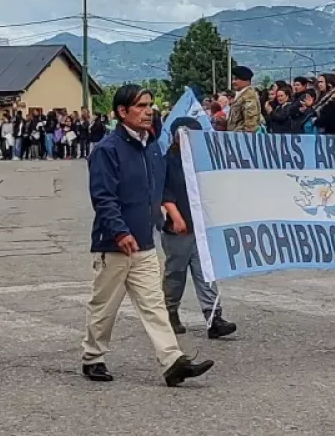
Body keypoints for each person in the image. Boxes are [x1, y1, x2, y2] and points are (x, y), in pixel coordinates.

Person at [81, 84, 214, 387]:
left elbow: (157, 188)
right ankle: (93, 357)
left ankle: (172, 361)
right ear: (122, 112)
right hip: (113, 245)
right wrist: (119, 232)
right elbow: (103, 197)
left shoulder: (152, 148)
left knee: (154, 305)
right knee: (104, 307)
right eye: (140, 106)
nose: (148, 111)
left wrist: (164, 215)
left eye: (150, 105)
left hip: (144, 243)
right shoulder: (107, 150)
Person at [161, 116, 237, 339]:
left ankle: (214, 318)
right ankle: (170, 312)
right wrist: (176, 217)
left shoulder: (203, 161)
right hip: (178, 230)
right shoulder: (167, 162)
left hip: (202, 228)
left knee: (206, 272)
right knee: (176, 274)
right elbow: (163, 193)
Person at [226, 66, 262, 132]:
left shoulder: (249, 97)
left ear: (247, 80)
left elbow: (250, 125)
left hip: (241, 137)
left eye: (236, 79)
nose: (233, 82)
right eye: (233, 79)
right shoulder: (241, 95)